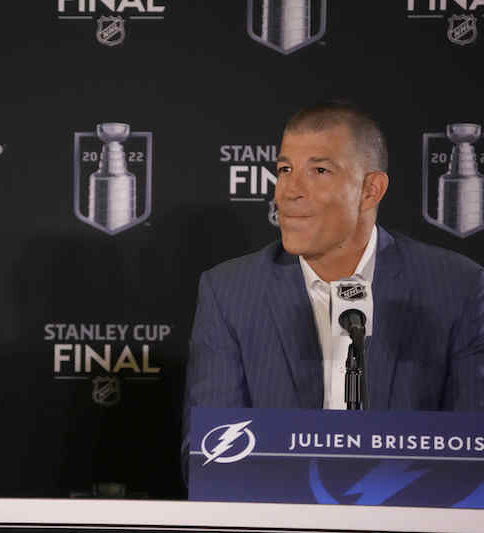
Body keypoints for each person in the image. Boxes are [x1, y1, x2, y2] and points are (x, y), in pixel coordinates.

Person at [183, 102, 484, 467]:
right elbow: (209, 457)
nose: (289, 191)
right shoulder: (229, 292)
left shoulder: (458, 287)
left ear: (370, 190)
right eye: (284, 169)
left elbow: (471, 457)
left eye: (320, 170)